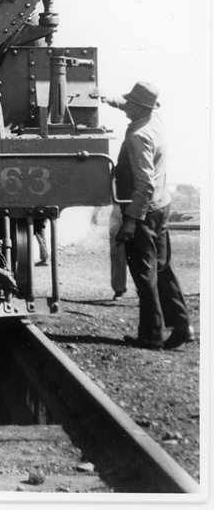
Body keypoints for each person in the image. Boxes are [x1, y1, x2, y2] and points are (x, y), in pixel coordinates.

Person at [99, 82, 194, 350]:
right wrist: (109, 99)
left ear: (139, 108)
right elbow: (130, 105)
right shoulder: (155, 120)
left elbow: (145, 184)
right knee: (162, 267)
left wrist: (130, 221)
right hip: (161, 206)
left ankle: (152, 335)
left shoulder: (138, 136)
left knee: (144, 273)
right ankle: (183, 325)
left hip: (143, 210)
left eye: (129, 103)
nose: (125, 105)